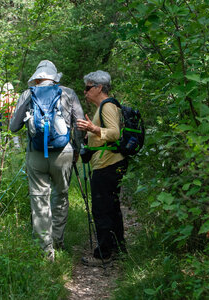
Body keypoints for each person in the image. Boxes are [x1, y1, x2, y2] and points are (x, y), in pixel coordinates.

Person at [10, 60, 85, 261]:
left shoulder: (28, 94)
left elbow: (14, 127)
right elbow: (79, 125)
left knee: (39, 199)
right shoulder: (68, 93)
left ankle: (45, 251)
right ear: (54, 77)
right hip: (63, 153)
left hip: (35, 154)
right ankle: (58, 241)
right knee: (60, 195)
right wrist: (77, 150)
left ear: (37, 77)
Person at [76, 70, 128, 267]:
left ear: (99, 88)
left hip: (108, 164)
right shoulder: (104, 107)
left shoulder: (107, 106)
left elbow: (114, 133)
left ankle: (103, 254)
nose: (85, 92)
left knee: (102, 210)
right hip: (108, 163)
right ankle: (118, 249)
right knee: (112, 208)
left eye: (88, 88)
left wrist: (93, 129)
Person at [2, 82, 21, 149]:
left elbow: (1, 106)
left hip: (5, 115)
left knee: (5, 131)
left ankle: (6, 147)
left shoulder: (3, 96)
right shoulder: (16, 95)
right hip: (14, 115)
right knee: (14, 130)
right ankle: (16, 146)